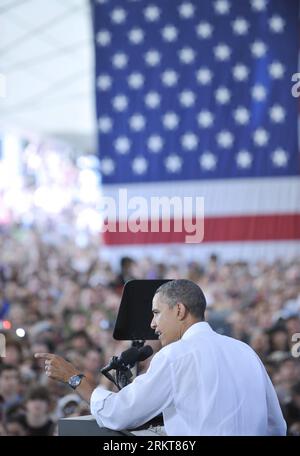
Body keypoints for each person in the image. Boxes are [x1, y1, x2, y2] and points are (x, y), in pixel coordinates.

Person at [35, 279, 287, 436]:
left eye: (156, 312)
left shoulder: (175, 356)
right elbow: (276, 426)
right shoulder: (245, 351)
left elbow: (121, 413)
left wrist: (75, 378)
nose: (153, 324)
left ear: (179, 310)